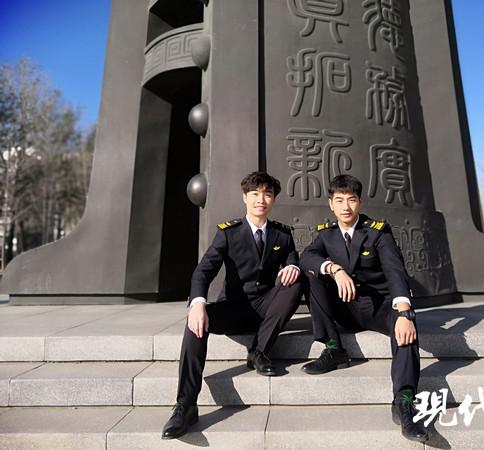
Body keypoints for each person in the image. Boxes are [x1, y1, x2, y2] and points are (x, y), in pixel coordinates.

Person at [162, 171, 303, 440]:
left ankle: (259, 352)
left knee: (297, 282)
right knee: (195, 324)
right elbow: (203, 272)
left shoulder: (282, 235)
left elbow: (292, 259)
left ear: (273, 200)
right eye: (255, 194)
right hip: (234, 308)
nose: (261, 199)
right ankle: (185, 406)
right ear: (245, 198)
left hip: (266, 307)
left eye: (267, 194)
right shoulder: (229, 233)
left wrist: (293, 266)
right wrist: (198, 303)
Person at [299, 174, 428, 443]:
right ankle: (334, 349)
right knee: (311, 275)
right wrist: (333, 269)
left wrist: (404, 312)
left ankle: (404, 401)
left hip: (379, 307)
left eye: (351, 200)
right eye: (339, 200)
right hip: (346, 308)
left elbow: (394, 270)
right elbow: (307, 256)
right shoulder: (326, 233)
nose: (346, 207)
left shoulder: (378, 231)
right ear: (331, 204)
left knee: (406, 329)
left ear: (360, 202)